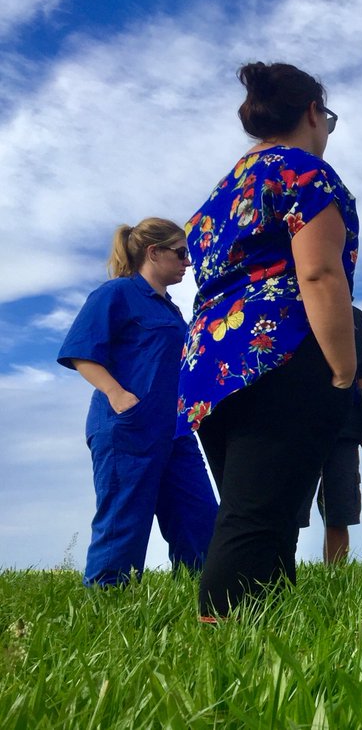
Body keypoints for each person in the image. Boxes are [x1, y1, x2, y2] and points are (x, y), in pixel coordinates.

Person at [179, 62, 359, 618]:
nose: (327, 130)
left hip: (210, 360)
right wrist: (344, 365)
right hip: (275, 348)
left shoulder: (220, 195)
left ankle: (266, 641)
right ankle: (222, 651)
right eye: (327, 117)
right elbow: (319, 275)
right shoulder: (304, 172)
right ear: (312, 113)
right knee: (257, 515)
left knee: (261, 507)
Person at [57, 218, 218, 587]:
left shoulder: (172, 311)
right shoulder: (115, 294)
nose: (187, 262)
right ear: (153, 252)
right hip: (127, 428)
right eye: (180, 253)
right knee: (123, 523)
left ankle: (197, 599)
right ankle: (108, 608)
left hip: (175, 432)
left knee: (199, 518)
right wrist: (118, 395)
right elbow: (82, 353)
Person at [298, 306, 362, 564]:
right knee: (289, 506)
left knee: (340, 508)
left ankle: (335, 578)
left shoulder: (356, 316)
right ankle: (279, 576)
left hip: (346, 425)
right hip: (298, 424)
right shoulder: (292, 302)